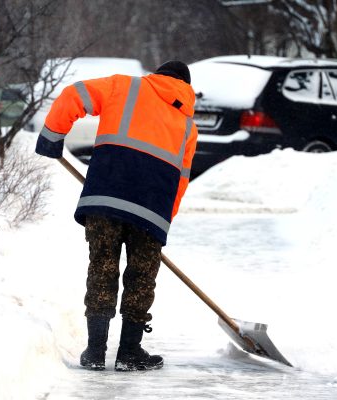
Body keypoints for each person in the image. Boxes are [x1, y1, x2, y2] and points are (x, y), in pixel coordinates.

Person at [35, 60, 198, 371]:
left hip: (107, 195)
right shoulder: (189, 127)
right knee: (141, 279)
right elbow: (181, 181)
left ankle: (95, 352)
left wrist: (52, 136)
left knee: (102, 266)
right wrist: (163, 223)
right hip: (152, 209)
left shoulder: (124, 86)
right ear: (186, 88)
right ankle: (129, 352)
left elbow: (73, 94)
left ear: (157, 75)